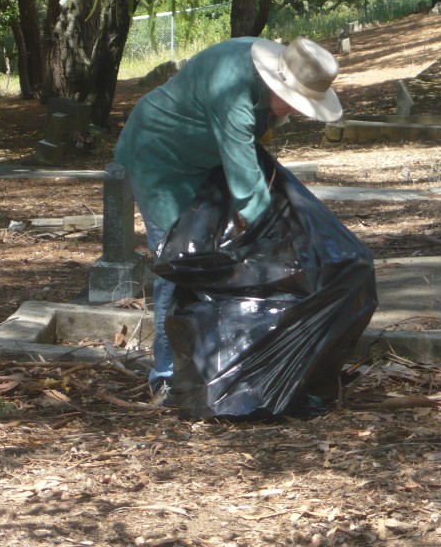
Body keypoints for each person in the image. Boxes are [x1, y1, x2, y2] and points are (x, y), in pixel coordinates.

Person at [113, 36, 343, 400]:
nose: (299, 112)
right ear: (275, 81)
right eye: (297, 103)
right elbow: (246, 182)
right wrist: (276, 241)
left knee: (220, 257)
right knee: (180, 264)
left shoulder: (274, 74)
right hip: (159, 158)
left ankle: (216, 364)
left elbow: (251, 153)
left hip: (205, 159)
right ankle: (168, 377)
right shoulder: (233, 92)